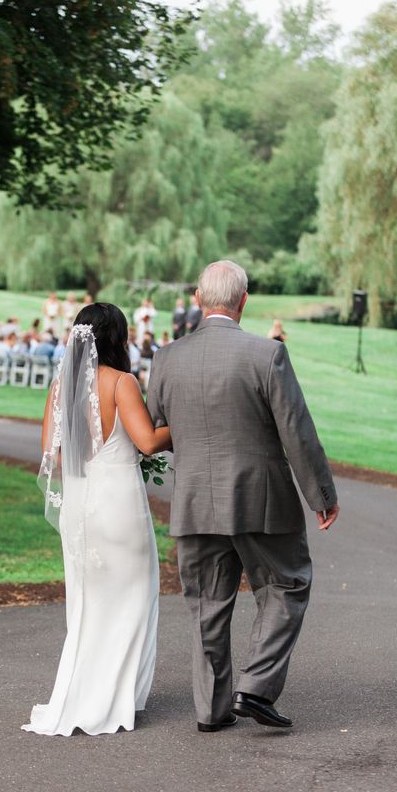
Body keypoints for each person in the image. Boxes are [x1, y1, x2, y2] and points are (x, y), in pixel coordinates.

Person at [146, 260, 339, 732]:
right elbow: (297, 431)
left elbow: (156, 424)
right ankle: (253, 687)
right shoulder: (266, 355)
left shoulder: (167, 358)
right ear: (243, 301)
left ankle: (210, 712)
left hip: (193, 501)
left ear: (197, 298)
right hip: (262, 500)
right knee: (287, 583)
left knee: (207, 602)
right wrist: (321, 494)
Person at [21, 303, 171, 736]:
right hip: (119, 504)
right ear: (117, 338)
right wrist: (180, 424)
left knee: (89, 603)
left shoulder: (59, 388)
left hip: (81, 504)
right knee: (134, 598)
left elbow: (53, 452)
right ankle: (115, 696)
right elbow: (146, 441)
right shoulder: (122, 382)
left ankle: (88, 691)